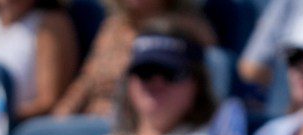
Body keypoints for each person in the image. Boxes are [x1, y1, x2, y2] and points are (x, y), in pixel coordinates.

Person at [76, 21, 244, 135]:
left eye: (169, 73)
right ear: (129, 82)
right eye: (145, 72)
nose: (156, 83)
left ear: (197, 83)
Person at [53, 0, 215, 118]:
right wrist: (60, 115)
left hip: (146, 121)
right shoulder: (112, 26)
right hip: (91, 120)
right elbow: (87, 79)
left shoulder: (188, 28)